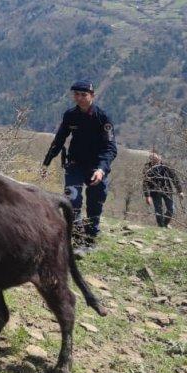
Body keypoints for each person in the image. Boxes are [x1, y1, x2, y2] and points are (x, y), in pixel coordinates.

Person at [38, 80, 117, 255]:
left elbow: (110, 148)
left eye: (83, 95)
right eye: (76, 94)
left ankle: (90, 239)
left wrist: (102, 169)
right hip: (75, 165)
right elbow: (59, 140)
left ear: (92, 96)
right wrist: (46, 162)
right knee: (72, 201)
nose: (79, 98)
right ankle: (78, 238)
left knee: (94, 204)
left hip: (97, 167)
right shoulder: (70, 115)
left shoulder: (103, 118)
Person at [141, 151, 181, 227]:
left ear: (159, 157)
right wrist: (147, 196)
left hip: (167, 190)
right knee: (158, 210)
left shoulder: (166, 166)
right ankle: (161, 226)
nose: (153, 159)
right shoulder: (147, 167)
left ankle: (165, 224)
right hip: (155, 192)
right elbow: (145, 182)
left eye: (155, 157)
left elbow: (174, 177)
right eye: (151, 157)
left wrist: (180, 191)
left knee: (171, 209)